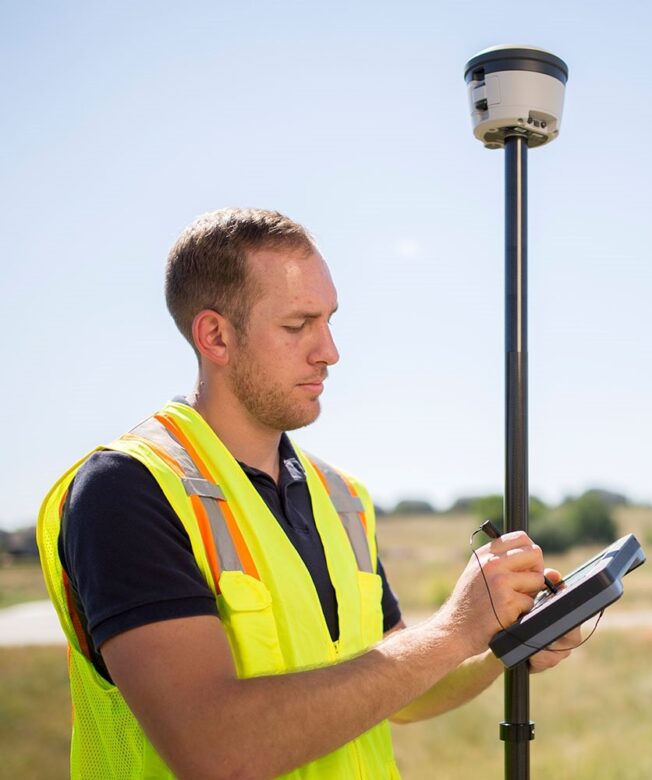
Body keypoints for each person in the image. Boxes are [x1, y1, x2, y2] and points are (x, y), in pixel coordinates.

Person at [38, 207, 580, 779]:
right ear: (215, 336)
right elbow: (216, 751)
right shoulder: (128, 490)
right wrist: (454, 630)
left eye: (329, 320)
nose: (329, 351)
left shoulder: (340, 498)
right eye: (298, 326)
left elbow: (402, 689)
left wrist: (504, 643)